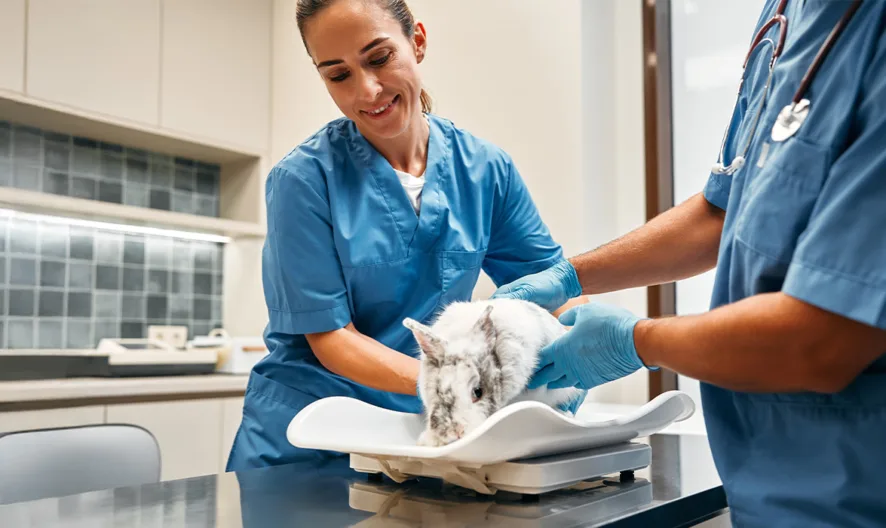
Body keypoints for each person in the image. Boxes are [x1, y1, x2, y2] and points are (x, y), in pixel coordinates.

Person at [492, 0, 886, 524]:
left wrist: (639, 338)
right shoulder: (784, 15)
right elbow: (723, 208)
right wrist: (572, 275)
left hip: (857, 491)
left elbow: (822, 339)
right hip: (762, 486)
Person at [226, 0, 585, 471]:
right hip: (310, 440)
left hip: (422, 433)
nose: (367, 90)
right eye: (338, 75)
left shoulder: (485, 171)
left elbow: (554, 290)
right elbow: (333, 339)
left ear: (417, 41)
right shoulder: (303, 181)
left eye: (379, 58)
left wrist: (581, 345)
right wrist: (458, 382)